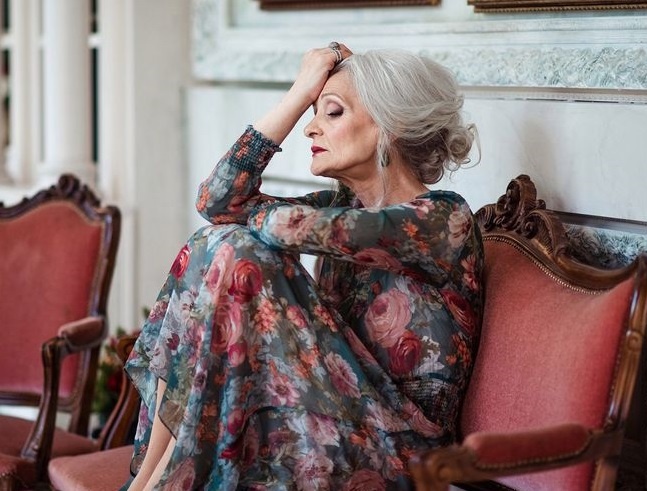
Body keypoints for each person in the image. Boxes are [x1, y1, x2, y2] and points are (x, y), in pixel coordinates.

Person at [122, 42, 484, 490]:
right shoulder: (342, 205)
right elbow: (216, 201)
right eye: (311, 111)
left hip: (402, 453)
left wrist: (249, 223)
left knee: (236, 246)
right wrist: (299, 91)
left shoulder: (443, 220)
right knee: (216, 240)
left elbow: (283, 227)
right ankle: (148, 482)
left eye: (331, 112)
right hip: (334, 412)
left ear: (392, 126)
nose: (310, 127)